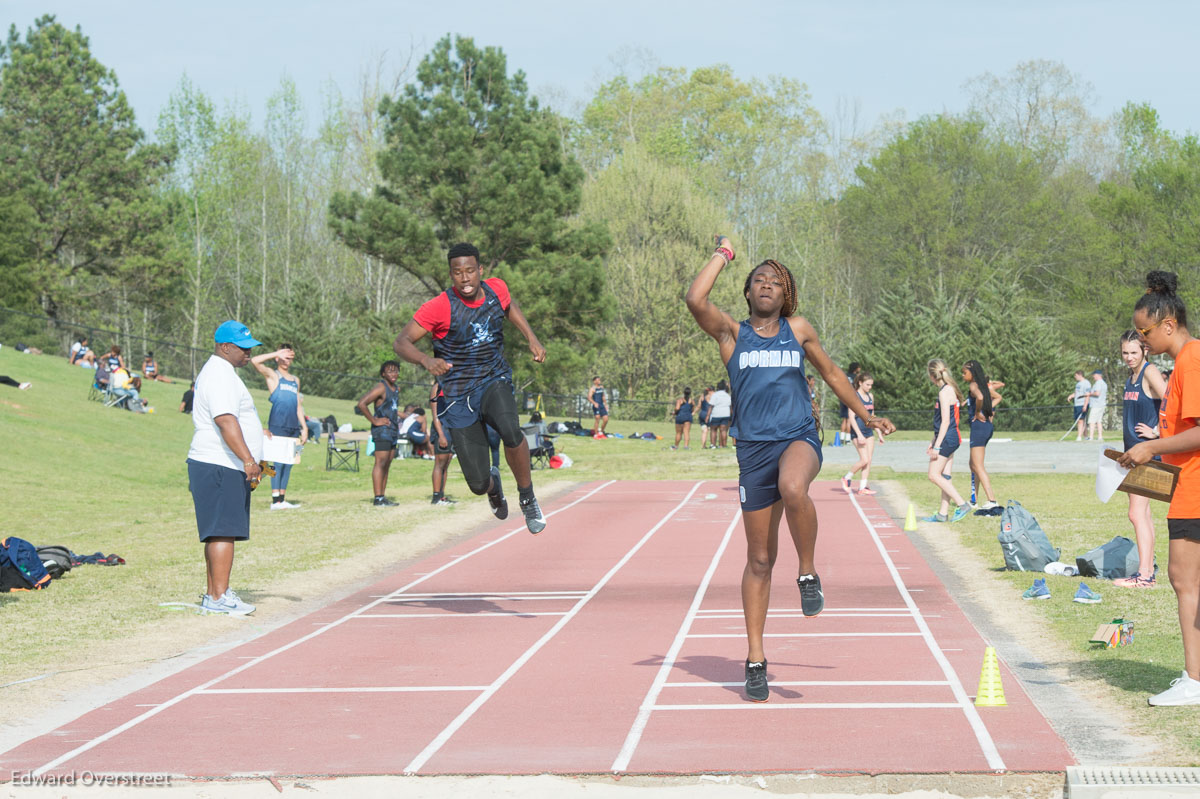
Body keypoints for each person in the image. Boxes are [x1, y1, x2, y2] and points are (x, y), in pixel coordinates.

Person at [686, 235, 894, 703]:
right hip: (752, 450)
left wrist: (865, 414)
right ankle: (756, 660)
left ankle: (807, 572)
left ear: (787, 295)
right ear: (747, 292)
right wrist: (722, 254)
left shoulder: (797, 329)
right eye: (758, 280)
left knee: (794, 486)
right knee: (759, 560)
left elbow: (833, 374)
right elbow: (694, 298)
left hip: (798, 436)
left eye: (775, 282)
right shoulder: (731, 335)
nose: (766, 285)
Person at [394, 242, 548, 534]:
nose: (464, 279)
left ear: (480, 270)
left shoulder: (496, 289)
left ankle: (527, 497)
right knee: (477, 484)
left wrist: (531, 337)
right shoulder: (439, 306)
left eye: (469, 271)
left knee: (510, 428)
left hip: (493, 379)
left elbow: (508, 304)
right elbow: (401, 342)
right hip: (457, 394)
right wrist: (427, 360)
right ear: (450, 276)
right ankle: (493, 486)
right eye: (457, 273)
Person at [1117, 271, 1200, 706]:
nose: (1142, 340)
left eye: (1145, 332)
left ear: (1168, 324)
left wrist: (1151, 448)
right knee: (1186, 581)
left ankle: (1194, 682)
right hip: (1185, 486)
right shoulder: (1182, 361)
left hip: (1197, 492)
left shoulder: (1191, 360)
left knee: (1185, 581)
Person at [186, 320, 263, 616]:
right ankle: (219, 597)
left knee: (221, 532)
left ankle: (215, 594)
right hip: (220, 463)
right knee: (222, 532)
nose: (248, 353)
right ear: (225, 347)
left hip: (220, 463)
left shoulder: (223, 372)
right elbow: (226, 420)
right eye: (244, 348)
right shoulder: (219, 374)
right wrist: (248, 459)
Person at [1114, 329, 1167, 587]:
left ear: (1144, 350)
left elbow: (1173, 401)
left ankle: (1145, 575)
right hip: (1132, 454)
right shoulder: (1130, 377)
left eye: (1134, 352)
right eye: (1125, 352)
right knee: (1141, 514)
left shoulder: (1150, 371)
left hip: (1148, 454)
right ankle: (1146, 572)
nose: (1129, 357)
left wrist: (1157, 432)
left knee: (1136, 513)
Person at [251, 344, 306, 509]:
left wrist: (304, 427)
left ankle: (283, 498)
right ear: (277, 357)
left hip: (293, 426)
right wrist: (276, 352)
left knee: (289, 461)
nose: (287, 361)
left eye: (290, 357)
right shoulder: (273, 376)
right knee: (277, 462)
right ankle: (275, 500)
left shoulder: (296, 380)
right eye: (284, 357)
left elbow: (297, 405)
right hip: (278, 424)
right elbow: (255, 361)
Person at [924, 359, 971, 523]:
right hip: (950, 437)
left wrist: (937, 446)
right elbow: (945, 420)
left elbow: (945, 422)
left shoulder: (945, 392)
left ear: (931, 375)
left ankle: (962, 504)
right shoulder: (949, 389)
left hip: (948, 438)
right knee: (945, 476)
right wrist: (933, 440)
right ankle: (942, 514)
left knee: (933, 475)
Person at [356, 361, 403, 506]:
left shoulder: (395, 388)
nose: (393, 374)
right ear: (383, 374)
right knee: (380, 463)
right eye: (389, 371)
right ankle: (378, 498)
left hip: (393, 430)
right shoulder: (381, 387)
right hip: (382, 431)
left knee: (387, 463)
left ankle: (382, 496)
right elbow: (362, 404)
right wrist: (374, 420)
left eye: (395, 371)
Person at [962, 360, 1001, 511]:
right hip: (986, 427)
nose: (962, 375)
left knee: (977, 465)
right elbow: (998, 397)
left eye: (964, 372)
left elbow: (979, 398)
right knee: (973, 465)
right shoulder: (983, 385)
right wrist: (988, 410)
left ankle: (992, 500)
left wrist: (979, 412)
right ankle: (973, 500)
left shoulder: (973, 385)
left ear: (972, 372)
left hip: (979, 427)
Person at [842, 372, 878, 495]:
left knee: (869, 460)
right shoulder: (854, 396)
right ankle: (847, 477)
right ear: (860, 383)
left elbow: (872, 417)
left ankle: (862, 487)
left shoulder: (870, 396)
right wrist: (859, 435)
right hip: (858, 432)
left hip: (869, 431)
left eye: (871, 385)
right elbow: (851, 417)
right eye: (867, 384)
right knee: (864, 459)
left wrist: (879, 431)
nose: (869, 387)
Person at [429, 381, 456, 506]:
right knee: (440, 463)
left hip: (450, 428)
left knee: (446, 462)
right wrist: (441, 435)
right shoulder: (437, 387)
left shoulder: (453, 385)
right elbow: (435, 416)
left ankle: (442, 495)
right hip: (441, 429)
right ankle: (436, 497)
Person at [837, 362, 861, 440]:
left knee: (844, 419)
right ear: (856, 368)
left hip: (843, 397)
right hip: (850, 398)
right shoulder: (856, 377)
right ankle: (847, 439)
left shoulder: (845, 375)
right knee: (849, 419)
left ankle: (841, 437)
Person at [708, 379, 733, 448]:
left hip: (716, 414)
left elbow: (711, 406)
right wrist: (731, 414)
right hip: (725, 414)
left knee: (713, 430)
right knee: (723, 430)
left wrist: (707, 416)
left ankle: (713, 445)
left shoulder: (715, 395)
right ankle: (723, 445)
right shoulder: (727, 395)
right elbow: (730, 406)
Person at [1068, 370, 1091, 440]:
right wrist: (1071, 396)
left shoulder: (1086, 383)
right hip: (1077, 404)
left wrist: (1085, 405)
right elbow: (1077, 393)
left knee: (1080, 420)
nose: (1075, 377)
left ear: (1080, 375)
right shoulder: (1078, 384)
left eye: (1076, 375)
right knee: (1082, 420)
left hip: (1082, 403)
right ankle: (1086, 436)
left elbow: (1087, 395)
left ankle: (1079, 436)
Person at [1088, 369, 1108, 442]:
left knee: (1092, 421)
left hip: (1096, 404)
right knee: (1099, 421)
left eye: (1094, 375)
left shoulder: (1098, 383)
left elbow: (1097, 393)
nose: (1093, 377)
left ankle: (1091, 437)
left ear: (1098, 375)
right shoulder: (1104, 383)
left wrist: (1089, 394)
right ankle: (1100, 436)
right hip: (1101, 404)